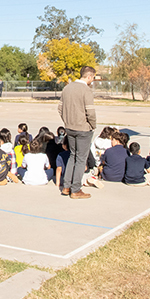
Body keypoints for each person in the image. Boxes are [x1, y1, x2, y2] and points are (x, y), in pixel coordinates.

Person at [57, 66, 98, 199]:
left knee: (72, 156)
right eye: (93, 78)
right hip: (83, 129)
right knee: (81, 159)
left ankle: (66, 186)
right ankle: (75, 189)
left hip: (70, 127)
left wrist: (67, 121)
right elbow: (90, 111)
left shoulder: (67, 88)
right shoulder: (86, 90)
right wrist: (92, 125)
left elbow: (60, 108)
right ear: (89, 76)